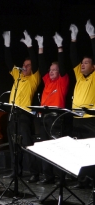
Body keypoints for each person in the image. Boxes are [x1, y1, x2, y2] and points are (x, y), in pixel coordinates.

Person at [2, 30, 41, 181]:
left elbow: (36, 63)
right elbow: (8, 62)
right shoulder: (18, 75)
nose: (25, 67)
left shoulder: (34, 78)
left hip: (24, 115)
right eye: (24, 65)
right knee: (13, 146)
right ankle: (15, 171)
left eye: (28, 65)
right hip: (12, 115)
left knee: (26, 145)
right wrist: (6, 45)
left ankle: (34, 173)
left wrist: (30, 46)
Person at [34, 33, 69, 184]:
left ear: (59, 71)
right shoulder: (48, 81)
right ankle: (48, 176)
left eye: (54, 69)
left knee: (57, 148)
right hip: (44, 117)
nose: (51, 71)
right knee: (45, 148)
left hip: (56, 118)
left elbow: (61, 62)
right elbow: (42, 66)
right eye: (51, 69)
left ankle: (60, 178)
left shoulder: (62, 81)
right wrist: (40, 47)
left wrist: (60, 47)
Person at [69, 20, 95, 188]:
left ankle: (92, 180)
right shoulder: (79, 77)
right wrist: (73, 39)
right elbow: (72, 59)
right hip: (76, 119)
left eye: (86, 63)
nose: (82, 65)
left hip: (90, 119)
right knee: (79, 152)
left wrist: (92, 36)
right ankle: (82, 180)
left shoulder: (94, 76)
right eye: (82, 63)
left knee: (91, 151)